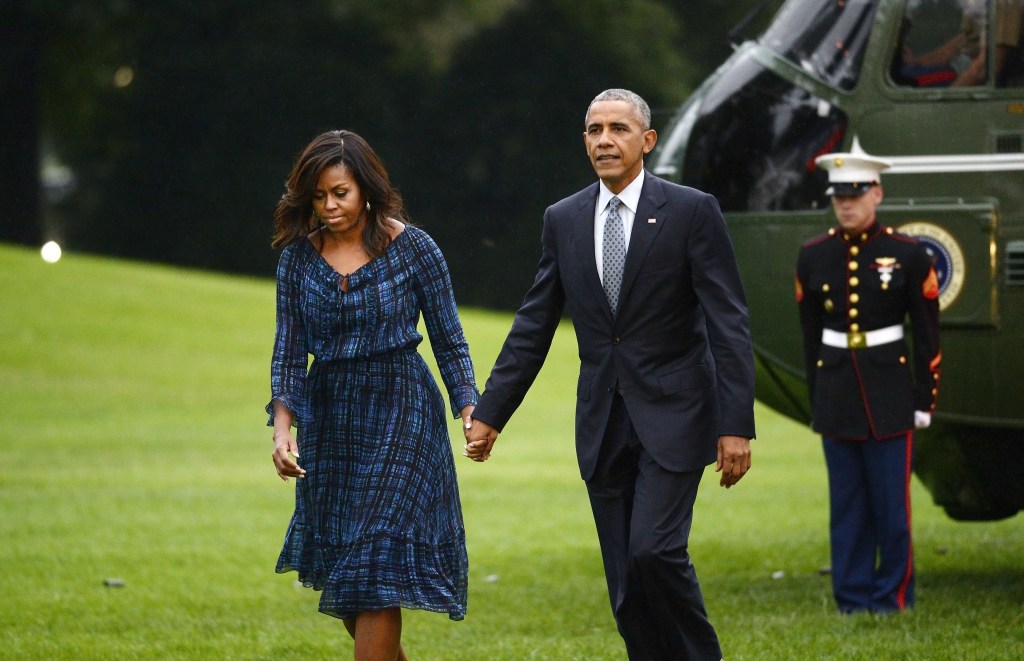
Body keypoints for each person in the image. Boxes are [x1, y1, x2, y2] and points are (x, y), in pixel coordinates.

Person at [464, 89, 756, 660]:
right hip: (602, 423)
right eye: (594, 130)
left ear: (646, 141)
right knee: (625, 585)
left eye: (618, 129)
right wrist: (492, 412)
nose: (604, 140)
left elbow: (729, 323)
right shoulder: (564, 219)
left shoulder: (692, 211)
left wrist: (735, 423)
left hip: (677, 416)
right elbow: (534, 323)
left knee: (655, 552)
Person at [267, 130, 478, 660]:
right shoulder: (297, 262)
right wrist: (283, 431)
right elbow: (289, 353)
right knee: (348, 579)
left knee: (377, 558)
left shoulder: (415, 249)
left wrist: (469, 407)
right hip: (333, 420)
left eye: (339, 193)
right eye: (318, 196)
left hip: (402, 409)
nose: (329, 206)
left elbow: (450, 339)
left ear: (365, 188)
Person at [795, 145, 941, 614]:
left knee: (891, 510)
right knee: (847, 508)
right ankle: (852, 597)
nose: (847, 204)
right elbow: (811, 337)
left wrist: (924, 397)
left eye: (856, 194)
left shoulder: (907, 254)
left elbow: (927, 333)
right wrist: (817, 398)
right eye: (839, 196)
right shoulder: (813, 255)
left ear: (876, 193)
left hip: (890, 393)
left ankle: (892, 597)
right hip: (837, 393)